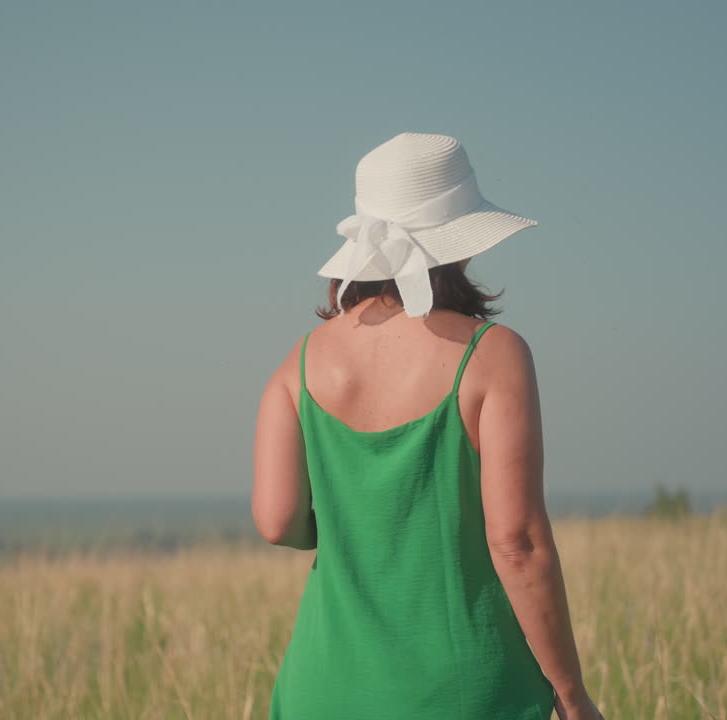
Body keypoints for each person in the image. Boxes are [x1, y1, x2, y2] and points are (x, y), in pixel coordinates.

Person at [252, 133, 604, 719]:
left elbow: (276, 520)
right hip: (466, 692)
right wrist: (571, 694)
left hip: (322, 690)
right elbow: (516, 543)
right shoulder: (495, 354)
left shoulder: (300, 361)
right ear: (461, 240)